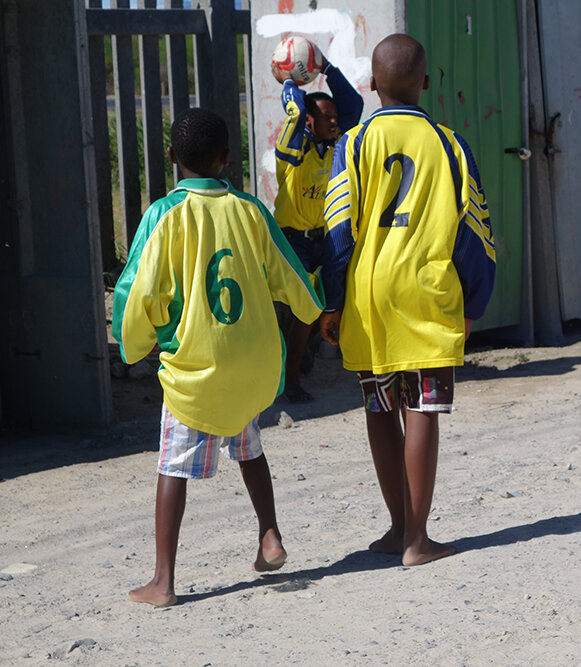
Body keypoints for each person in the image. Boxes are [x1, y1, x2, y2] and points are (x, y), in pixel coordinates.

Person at [112, 108, 325, 606]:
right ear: (227, 158)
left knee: (172, 465)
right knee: (248, 447)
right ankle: (270, 535)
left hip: (197, 369)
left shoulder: (163, 215)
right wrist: (316, 310)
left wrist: (137, 345)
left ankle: (162, 582)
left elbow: (136, 291)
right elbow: (292, 275)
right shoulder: (250, 210)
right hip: (252, 367)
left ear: (170, 157)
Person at [318, 34, 496, 565]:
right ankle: (418, 541)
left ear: (371, 84)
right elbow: (475, 230)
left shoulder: (352, 143)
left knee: (379, 407)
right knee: (423, 409)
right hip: (427, 290)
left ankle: (397, 528)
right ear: (425, 81)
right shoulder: (448, 143)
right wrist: (473, 303)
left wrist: (333, 301)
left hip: (370, 293)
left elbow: (337, 230)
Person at [273, 47, 363, 403]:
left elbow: (353, 104)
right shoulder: (294, 147)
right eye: (326, 117)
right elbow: (295, 112)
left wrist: (326, 68)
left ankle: (302, 352)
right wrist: (291, 81)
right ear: (308, 122)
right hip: (291, 240)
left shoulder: (338, 146)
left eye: (334, 117)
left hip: (324, 239)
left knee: (325, 303)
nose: (334, 121)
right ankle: (290, 381)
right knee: (305, 309)